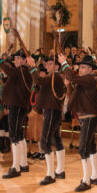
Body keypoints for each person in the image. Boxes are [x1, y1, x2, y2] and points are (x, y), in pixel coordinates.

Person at [60, 53, 97, 191]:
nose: (81, 69)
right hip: (85, 117)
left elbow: (73, 76)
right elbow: (72, 96)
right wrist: (68, 85)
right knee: (92, 146)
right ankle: (95, 176)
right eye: (80, 67)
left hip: (89, 116)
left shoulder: (90, 79)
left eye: (83, 67)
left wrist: (64, 64)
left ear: (90, 69)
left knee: (83, 148)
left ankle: (86, 180)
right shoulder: (83, 80)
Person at [0, 49, 33, 179]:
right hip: (17, 105)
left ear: (25, 60)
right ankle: (23, 163)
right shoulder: (20, 72)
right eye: (15, 59)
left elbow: (9, 71)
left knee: (14, 135)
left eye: (19, 59)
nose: (16, 61)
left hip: (18, 105)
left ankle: (15, 167)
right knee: (19, 135)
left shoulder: (22, 70)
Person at [27, 55, 65, 185]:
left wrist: (32, 66)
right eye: (47, 64)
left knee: (45, 142)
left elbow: (39, 81)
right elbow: (42, 85)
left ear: (56, 66)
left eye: (50, 64)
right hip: (51, 110)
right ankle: (60, 169)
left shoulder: (55, 76)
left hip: (52, 111)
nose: (48, 66)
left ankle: (50, 174)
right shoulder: (53, 78)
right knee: (56, 139)